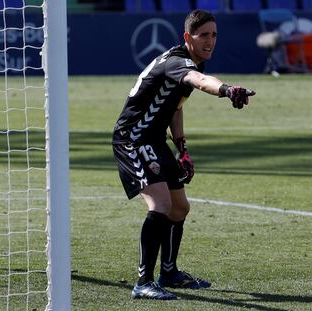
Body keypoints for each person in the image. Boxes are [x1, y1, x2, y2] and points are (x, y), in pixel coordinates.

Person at [112, 9, 255, 300]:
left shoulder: (190, 63)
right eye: (204, 35)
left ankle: (169, 272)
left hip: (154, 139)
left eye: (214, 35)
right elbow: (201, 83)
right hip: (133, 140)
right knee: (161, 203)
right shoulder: (178, 63)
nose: (210, 41)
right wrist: (227, 90)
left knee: (180, 207)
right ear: (188, 37)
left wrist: (183, 149)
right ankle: (143, 282)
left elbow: (176, 107)